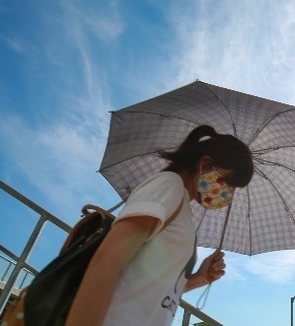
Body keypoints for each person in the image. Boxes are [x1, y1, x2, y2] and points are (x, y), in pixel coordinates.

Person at [66, 125, 254, 326]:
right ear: (205, 164)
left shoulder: (183, 210)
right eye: (228, 183)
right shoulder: (168, 186)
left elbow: (157, 290)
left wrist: (201, 277)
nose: (228, 194)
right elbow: (108, 260)